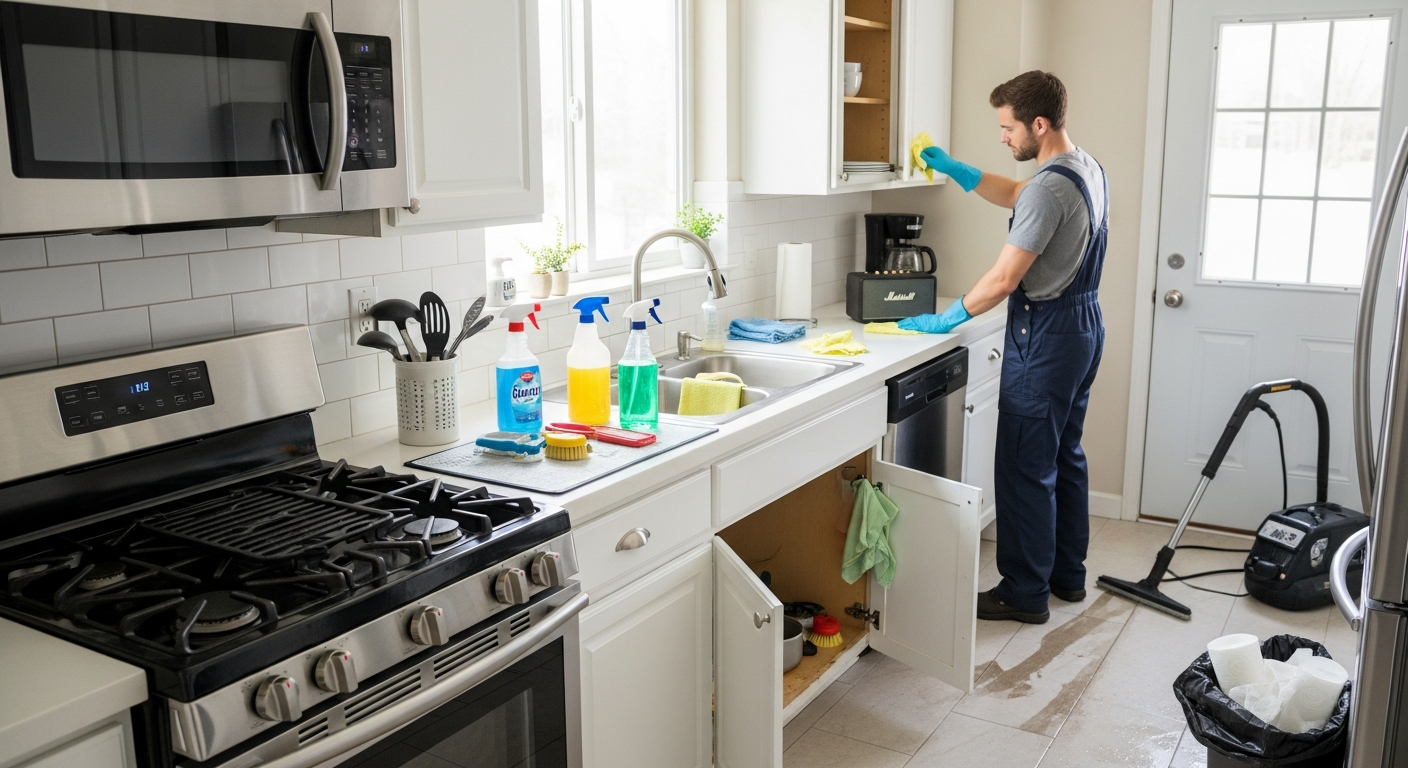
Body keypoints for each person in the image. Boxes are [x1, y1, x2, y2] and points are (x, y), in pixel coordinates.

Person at [901, 70, 1107, 624]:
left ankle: (1022, 592)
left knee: (1023, 466)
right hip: (1083, 325)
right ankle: (1066, 577)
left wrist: (949, 316)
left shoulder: (1048, 185)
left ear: (1038, 124)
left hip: (1045, 335)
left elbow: (1002, 281)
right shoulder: (1081, 166)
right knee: (1064, 455)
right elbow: (1017, 194)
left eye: (1007, 128)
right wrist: (955, 170)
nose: (1003, 137)